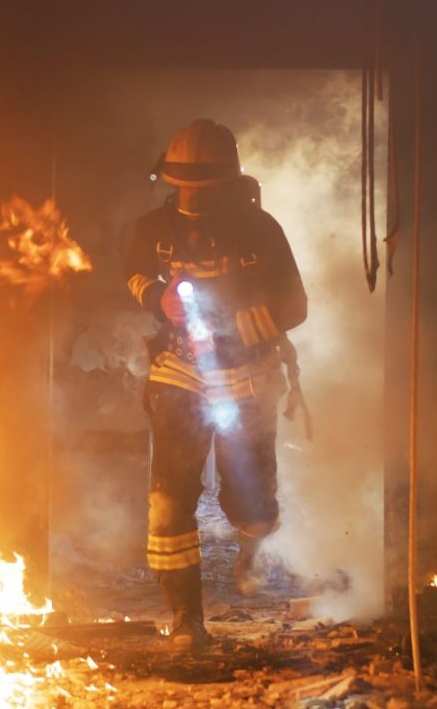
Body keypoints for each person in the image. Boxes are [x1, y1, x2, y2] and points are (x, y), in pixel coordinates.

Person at [125, 118, 308, 648]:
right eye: (185, 188)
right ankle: (186, 620)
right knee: (169, 500)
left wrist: (254, 320)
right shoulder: (150, 230)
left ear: (230, 183)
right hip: (178, 371)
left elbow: (296, 302)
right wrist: (155, 297)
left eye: (206, 189)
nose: (194, 200)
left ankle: (253, 541)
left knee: (246, 499)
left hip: (248, 378)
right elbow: (134, 275)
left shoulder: (262, 231)